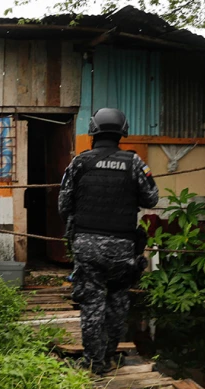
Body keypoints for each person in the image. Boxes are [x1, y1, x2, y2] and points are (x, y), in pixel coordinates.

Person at [58, 108, 159, 374]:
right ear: (121, 133)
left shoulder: (78, 163)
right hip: (122, 250)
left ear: (93, 132)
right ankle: (110, 355)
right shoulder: (134, 162)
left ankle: (94, 363)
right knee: (117, 301)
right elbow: (151, 199)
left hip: (87, 247)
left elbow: (63, 205)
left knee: (91, 303)